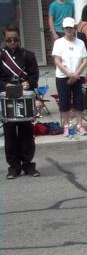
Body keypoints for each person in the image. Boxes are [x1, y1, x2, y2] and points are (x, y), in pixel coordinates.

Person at [2, 26, 41, 179]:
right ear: (4, 40)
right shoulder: (1, 56)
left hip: (24, 96)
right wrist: (6, 85)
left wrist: (28, 84)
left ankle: (28, 165)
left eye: (15, 39)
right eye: (9, 40)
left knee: (27, 132)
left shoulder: (28, 55)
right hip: (7, 97)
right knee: (10, 132)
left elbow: (34, 75)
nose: (12, 42)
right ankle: (13, 167)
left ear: (19, 39)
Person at [51, 17, 87, 136]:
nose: (69, 30)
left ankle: (79, 124)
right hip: (63, 76)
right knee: (64, 102)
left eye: (71, 28)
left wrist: (76, 74)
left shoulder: (80, 42)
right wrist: (69, 74)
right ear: (63, 28)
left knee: (79, 101)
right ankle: (66, 126)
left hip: (78, 76)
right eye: (66, 28)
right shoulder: (58, 42)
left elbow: (84, 61)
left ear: (75, 28)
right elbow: (57, 60)